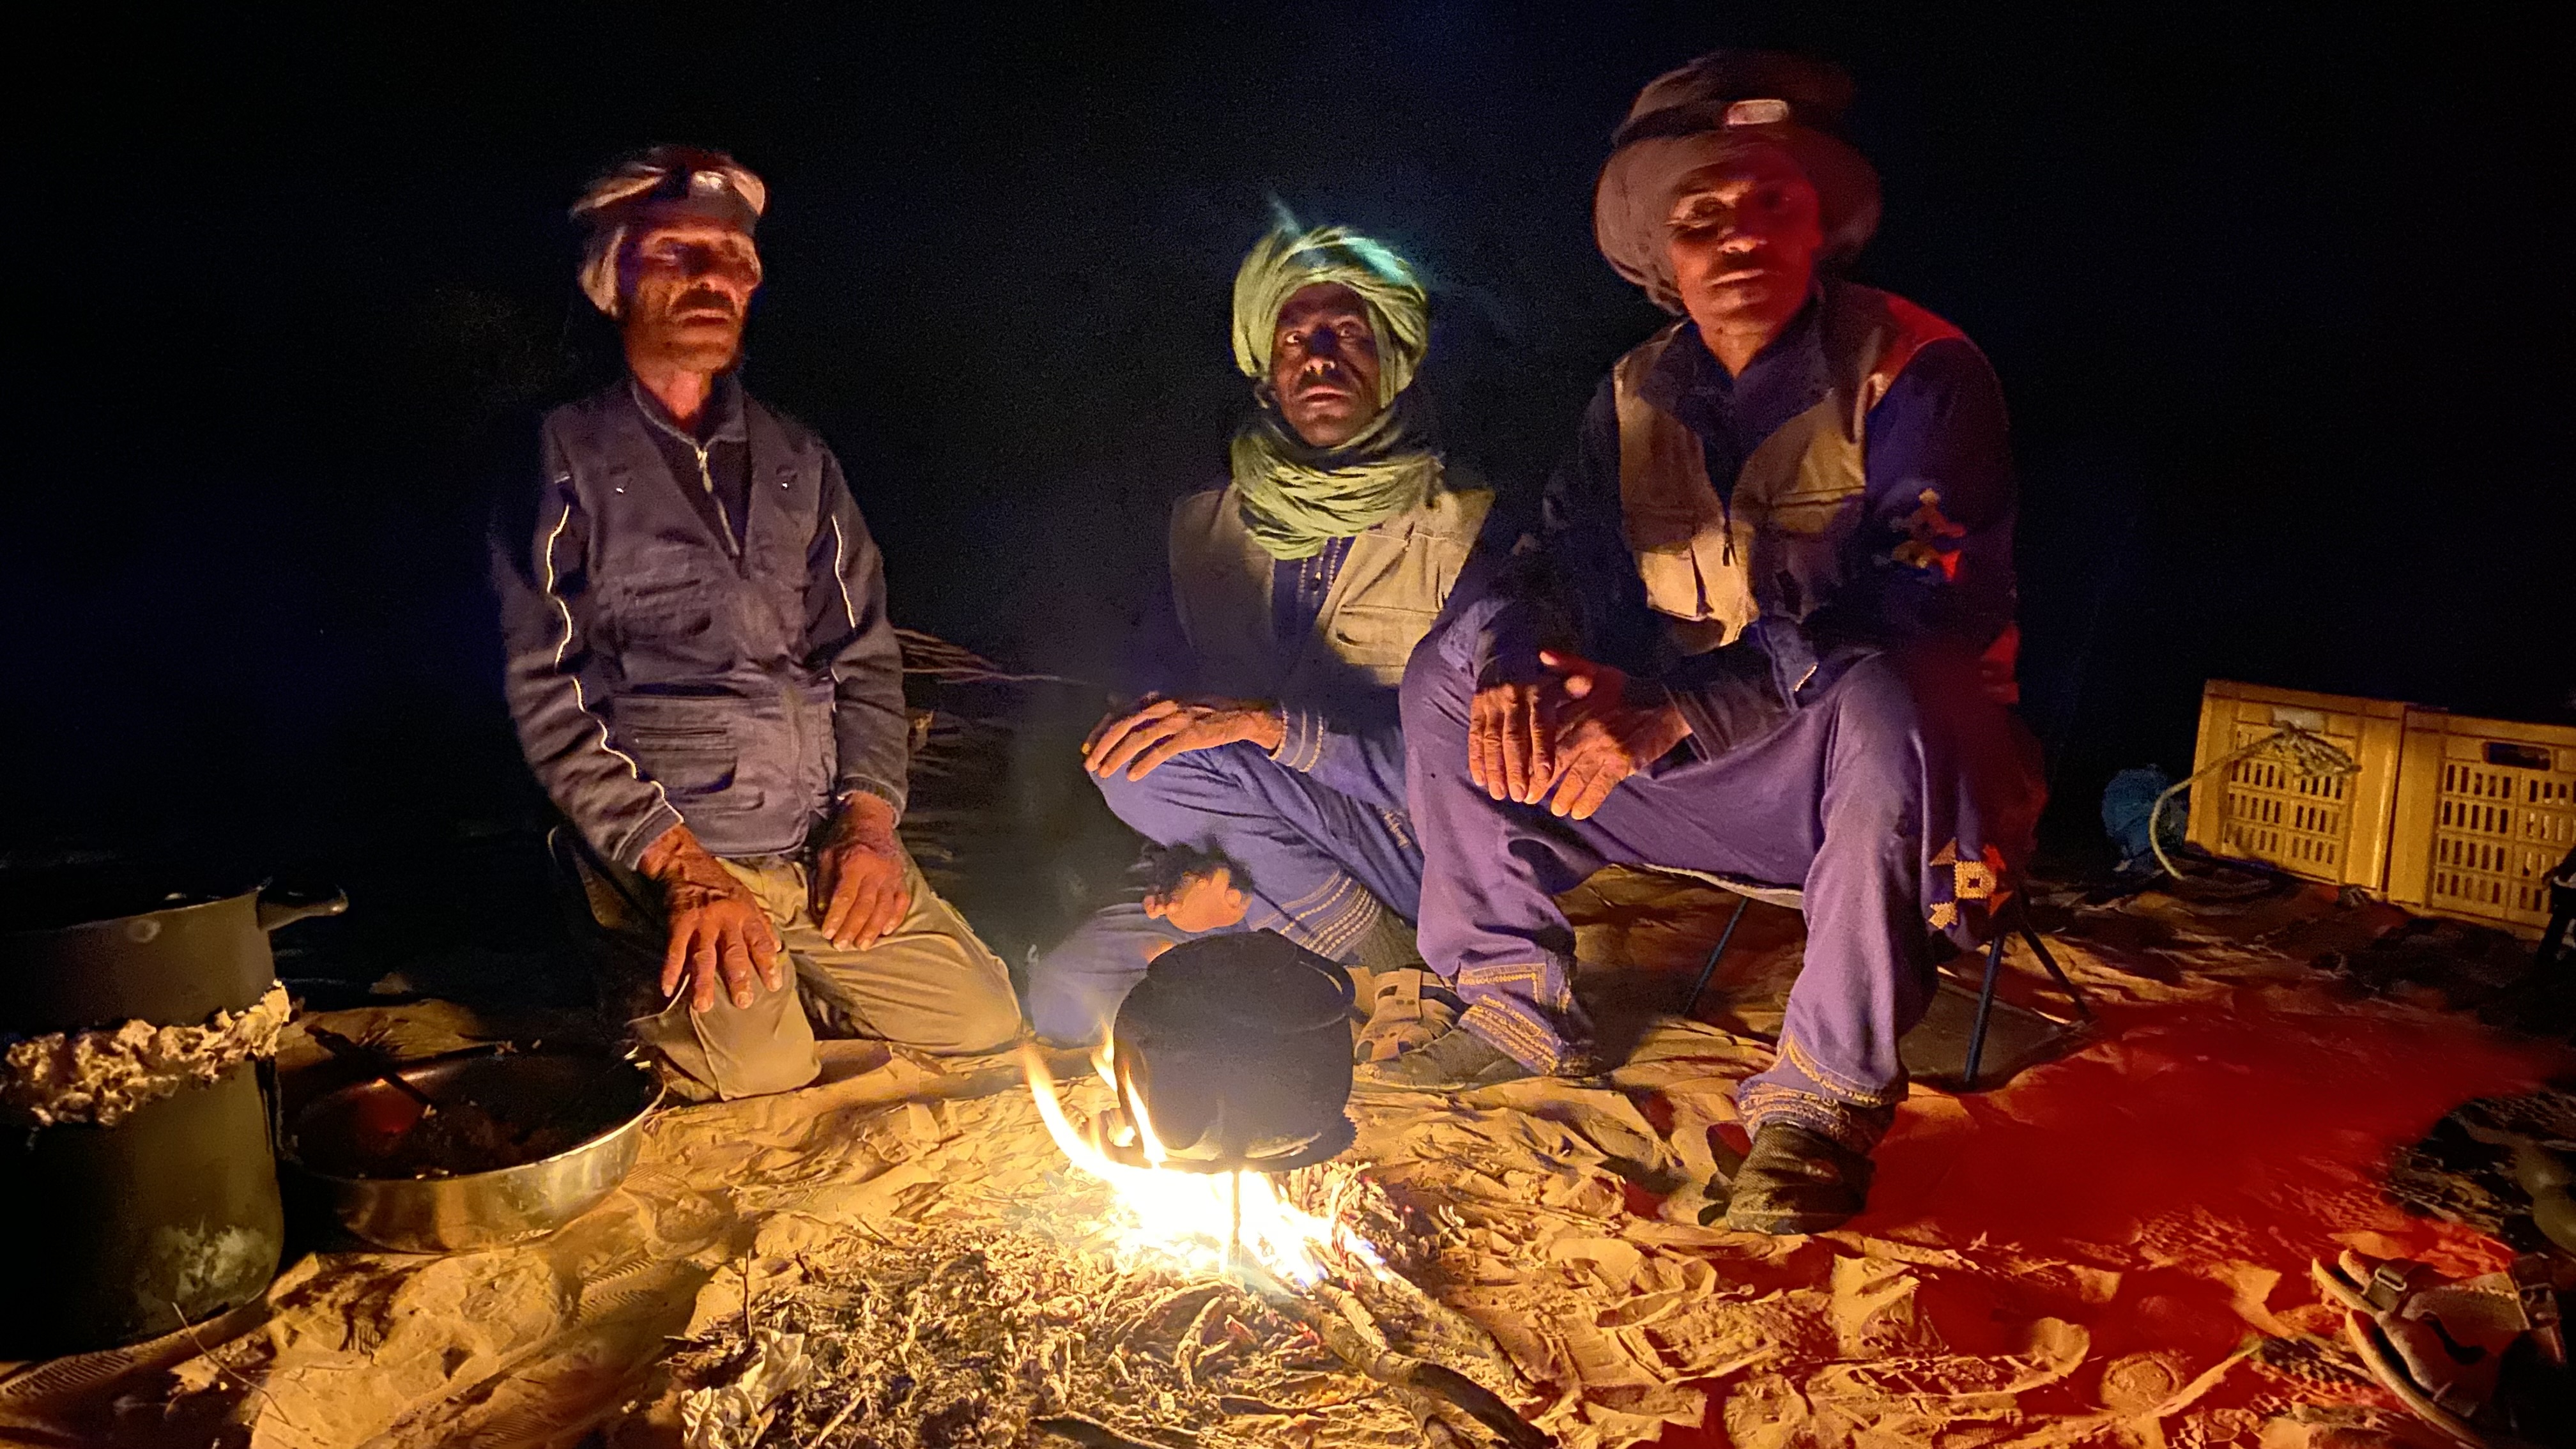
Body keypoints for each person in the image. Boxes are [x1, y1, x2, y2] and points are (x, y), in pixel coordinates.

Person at [1375, 54, 2043, 1236]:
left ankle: (1821, 1107)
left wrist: (1680, 709)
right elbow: (1542, 561)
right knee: (1454, 670)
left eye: (1770, 204)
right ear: (1659, 255)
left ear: (1821, 227)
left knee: (1888, 690)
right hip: (1702, 782)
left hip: (1900, 796)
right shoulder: (1632, 394)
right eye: (1701, 217)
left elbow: (1915, 604)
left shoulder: (1920, 374)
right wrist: (1520, 663)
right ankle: (1510, 999)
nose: (1738, 237)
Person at [493, 146, 1022, 1100]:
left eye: (731, 256)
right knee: (764, 1076)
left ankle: (787, 968)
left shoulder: (795, 457)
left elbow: (863, 657)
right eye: (674, 253)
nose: (710, 278)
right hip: (676, 854)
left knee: (982, 1021)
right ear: (614, 281)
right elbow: (547, 693)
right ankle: (644, 968)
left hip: (816, 840)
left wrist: (866, 823)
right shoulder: (561, 452)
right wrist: (681, 869)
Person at [1023, 222, 1492, 1052]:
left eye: (1350, 334)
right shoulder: (1203, 525)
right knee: (1065, 995)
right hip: (1261, 852)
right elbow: (1155, 705)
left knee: (1150, 771)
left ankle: (1386, 957)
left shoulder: (1466, 529)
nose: (1319, 356)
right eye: (1295, 339)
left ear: (1394, 368)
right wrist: (1186, 872)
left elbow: (1468, 767)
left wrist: (1268, 727)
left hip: (1411, 841)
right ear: (1269, 378)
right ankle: (1329, 948)